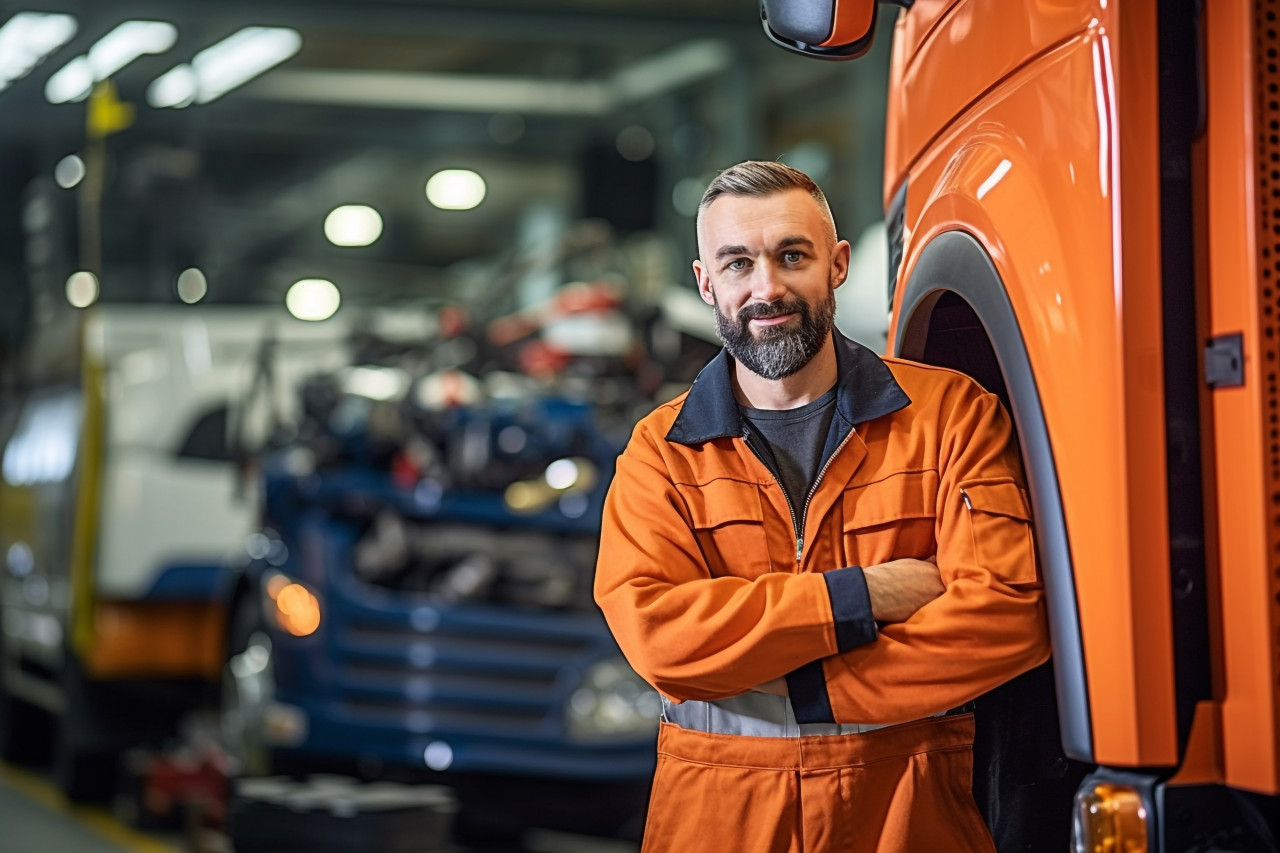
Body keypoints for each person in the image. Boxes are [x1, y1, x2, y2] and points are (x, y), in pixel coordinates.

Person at [594, 160, 1049, 853]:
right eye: (738, 262)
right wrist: (860, 596)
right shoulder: (662, 453)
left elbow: (1009, 611)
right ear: (705, 282)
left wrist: (798, 684)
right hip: (719, 825)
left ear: (836, 265)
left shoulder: (950, 416)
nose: (766, 287)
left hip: (905, 818)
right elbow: (660, 635)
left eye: (792, 255)